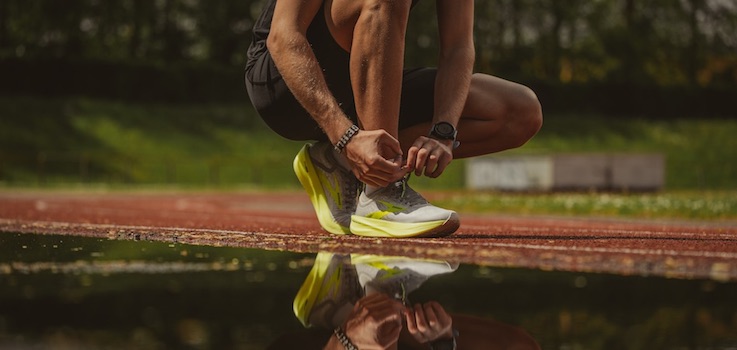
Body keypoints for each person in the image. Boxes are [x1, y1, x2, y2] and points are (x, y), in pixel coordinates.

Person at [245, 0, 542, 238]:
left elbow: (458, 49)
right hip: (286, 84)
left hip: (363, 82)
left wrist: (443, 130)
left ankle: (341, 164)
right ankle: (381, 195)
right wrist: (344, 133)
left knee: (519, 111)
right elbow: (284, 37)